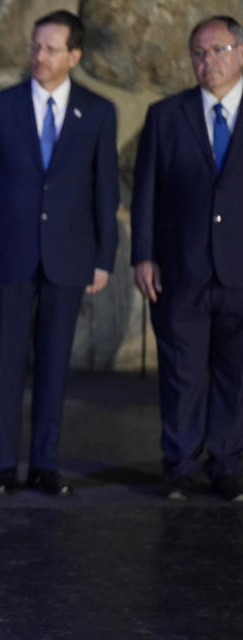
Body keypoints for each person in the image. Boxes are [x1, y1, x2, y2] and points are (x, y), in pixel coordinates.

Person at [0, 10, 119, 497]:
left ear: (74, 55)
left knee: (55, 364)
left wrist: (103, 258)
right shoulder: (0, 107)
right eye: (35, 46)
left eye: (51, 48)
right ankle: (5, 466)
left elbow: (105, 190)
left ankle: (46, 464)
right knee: (7, 364)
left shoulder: (98, 112)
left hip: (70, 257)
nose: (40, 56)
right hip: (9, 255)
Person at [131, 15, 243, 502]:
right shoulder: (165, 115)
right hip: (180, 270)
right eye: (198, 53)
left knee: (235, 375)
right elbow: (146, 192)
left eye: (217, 50)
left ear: (239, 51)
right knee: (181, 373)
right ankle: (178, 465)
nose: (207, 61)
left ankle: (227, 465)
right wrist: (143, 255)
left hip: (240, 272)